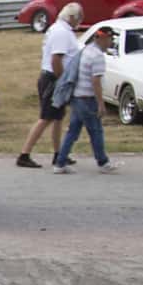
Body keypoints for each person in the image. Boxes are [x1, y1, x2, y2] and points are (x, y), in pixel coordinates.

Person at [17, 2, 81, 169]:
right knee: (46, 118)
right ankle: (24, 154)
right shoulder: (61, 32)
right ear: (72, 17)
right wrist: (62, 81)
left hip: (53, 78)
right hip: (53, 79)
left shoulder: (60, 29)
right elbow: (56, 60)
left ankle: (59, 153)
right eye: (79, 18)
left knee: (58, 118)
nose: (79, 22)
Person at [55, 23, 117, 174]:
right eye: (110, 39)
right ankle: (103, 162)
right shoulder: (97, 56)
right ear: (102, 39)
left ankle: (60, 163)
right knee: (96, 131)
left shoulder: (87, 50)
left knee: (73, 131)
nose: (111, 42)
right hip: (88, 99)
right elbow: (95, 81)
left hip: (77, 97)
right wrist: (101, 104)